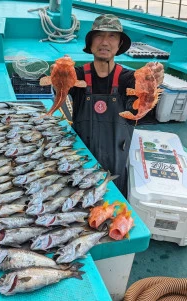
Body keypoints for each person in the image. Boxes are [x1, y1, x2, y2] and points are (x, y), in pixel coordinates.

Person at [67, 14, 164, 197]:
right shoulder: (76, 75)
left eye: (112, 36)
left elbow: (140, 98)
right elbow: (57, 87)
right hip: (80, 161)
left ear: (119, 45)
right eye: (99, 35)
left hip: (116, 165)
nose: (105, 41)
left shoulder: (129, 78)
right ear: (90, 43)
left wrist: (154, 81)